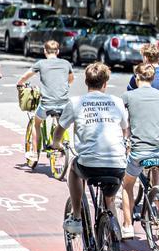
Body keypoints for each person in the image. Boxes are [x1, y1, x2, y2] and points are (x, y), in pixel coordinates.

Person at [52, 63, 128, 235]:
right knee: (109, 199)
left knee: (73, 168)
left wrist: (56, 144)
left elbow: (60, 129)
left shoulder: (75, 103)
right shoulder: (117, 102)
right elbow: (125, 130)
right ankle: (113, 233)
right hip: (117, 164)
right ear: (105, 84)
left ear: (86, 82)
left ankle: (77, 216)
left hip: (89, 165)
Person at [120, 63, 159, 239]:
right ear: (153, 78)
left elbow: (122, 121)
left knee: (127, 184)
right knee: (155, 168)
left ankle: (127, 226)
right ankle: (156, 195)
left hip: (139, 151)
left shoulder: (128, 96)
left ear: (136, 78)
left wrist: (125, 137)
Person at [16, 40, 75, 164]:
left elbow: (25, 76)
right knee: (61, 122)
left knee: (36, 123)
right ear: (58, 51)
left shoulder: (41, 63)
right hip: (64, 103)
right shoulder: (66, 63)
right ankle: (60, 142)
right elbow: (71, 79)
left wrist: (20, 83)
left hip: (47, 104)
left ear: (44, 51)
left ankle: (34, 153)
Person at [127, 43, 159, 153]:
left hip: (145, 126)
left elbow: (129, 97)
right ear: (158, 57)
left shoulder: (139, 76)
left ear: (145, 57)